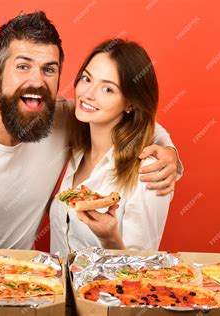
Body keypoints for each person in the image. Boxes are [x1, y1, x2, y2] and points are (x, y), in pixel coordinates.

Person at [0, 11, 181, 250]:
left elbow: (129, 118)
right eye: (23, 66)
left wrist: (169, 153)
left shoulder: (59, 117)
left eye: (48, 69)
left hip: (22, 290)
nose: (37, 81)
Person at [50, 39, 172, 256]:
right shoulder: (77, 149)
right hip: (58, 288)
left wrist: (110, 239)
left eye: (107, 89)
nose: (88, 93)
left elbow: (140, 271)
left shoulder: (149, 172)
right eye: (87, 79)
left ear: (130, 103)